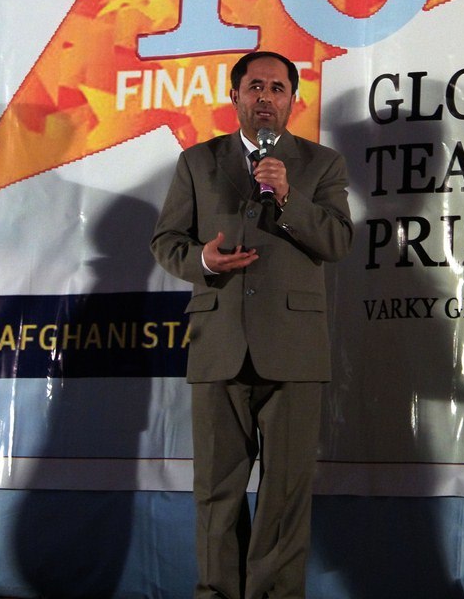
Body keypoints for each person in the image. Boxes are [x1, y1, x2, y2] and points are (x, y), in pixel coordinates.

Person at [151, 51, 353, 599]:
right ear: (235, 95)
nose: (266, 96)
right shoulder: (197, 162)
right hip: (218, 344)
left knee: (285, 493)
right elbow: (166, 242)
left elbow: (338, 241)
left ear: (293, 100)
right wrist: (204, 261)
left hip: (294, 349)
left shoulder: (321, 164)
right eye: (256, 86)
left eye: (278, 88)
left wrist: (287, 196)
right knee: (216, 490)